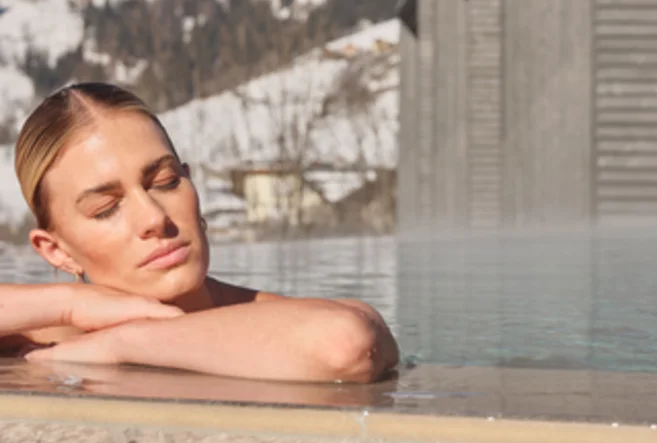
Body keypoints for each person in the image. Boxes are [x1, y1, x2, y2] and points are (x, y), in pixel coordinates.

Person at [3, 82, 399, 383]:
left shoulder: (267, 318)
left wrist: (124, 343)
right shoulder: (42, 338)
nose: (154, 218)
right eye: (107, 209)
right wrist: (69, 303)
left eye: (166, 181)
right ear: (57, 252)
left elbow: (348, 344)